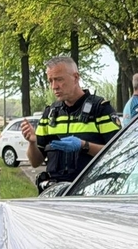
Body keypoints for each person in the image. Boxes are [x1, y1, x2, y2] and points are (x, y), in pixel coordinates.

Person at [22, 56, 121, 190]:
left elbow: (118, 153)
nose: (54, 86)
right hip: (55, 194)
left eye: (59, 79)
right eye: (50, 81)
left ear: (76, 77)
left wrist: (84, 146)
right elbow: (35, 162)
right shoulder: (50, 114)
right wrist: (32, 143)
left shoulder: (100, 109)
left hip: (91, 193)